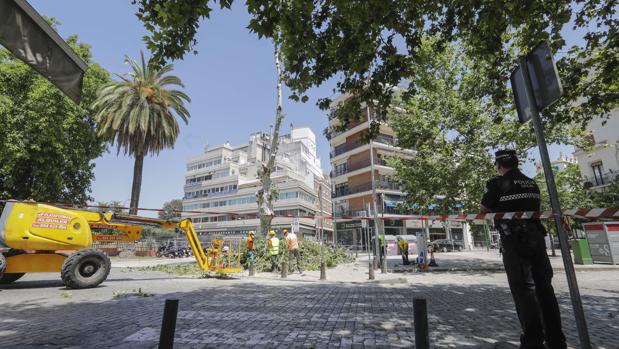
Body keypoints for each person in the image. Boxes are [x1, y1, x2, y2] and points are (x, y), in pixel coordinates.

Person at [481, 149, 566, 349]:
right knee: (545, 290)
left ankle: (532, 343)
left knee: (524, 291)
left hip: (515, 240)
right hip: (537, 238)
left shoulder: (496, 184)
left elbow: (483, 211)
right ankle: (556, 341)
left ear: (499, 166)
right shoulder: (532, 182)